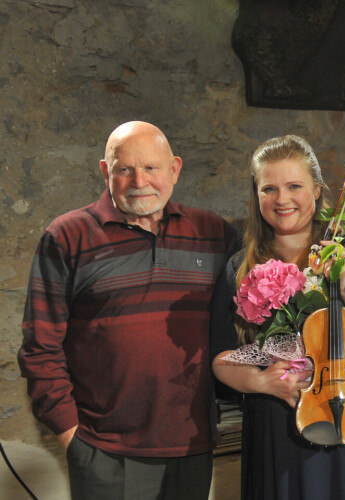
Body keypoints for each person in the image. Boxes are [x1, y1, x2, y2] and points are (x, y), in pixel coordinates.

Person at [18, 121, 241, 499]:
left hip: (191, 445)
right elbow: (40, 347)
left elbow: (256, 301)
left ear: (175, 169)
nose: (140, 181)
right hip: (103, 450)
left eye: (151, 167)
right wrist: (71, 436)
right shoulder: (67, 236)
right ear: (105, 171)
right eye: (125, 169)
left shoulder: (213, 233)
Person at [209, 135, 345, 500]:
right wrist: (262, 382)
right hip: (281, 426)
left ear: (316, 190)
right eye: (269, 189)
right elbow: (221, 357)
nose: (282, 199)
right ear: (256, 195)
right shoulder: (240, 267)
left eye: (294, 186)